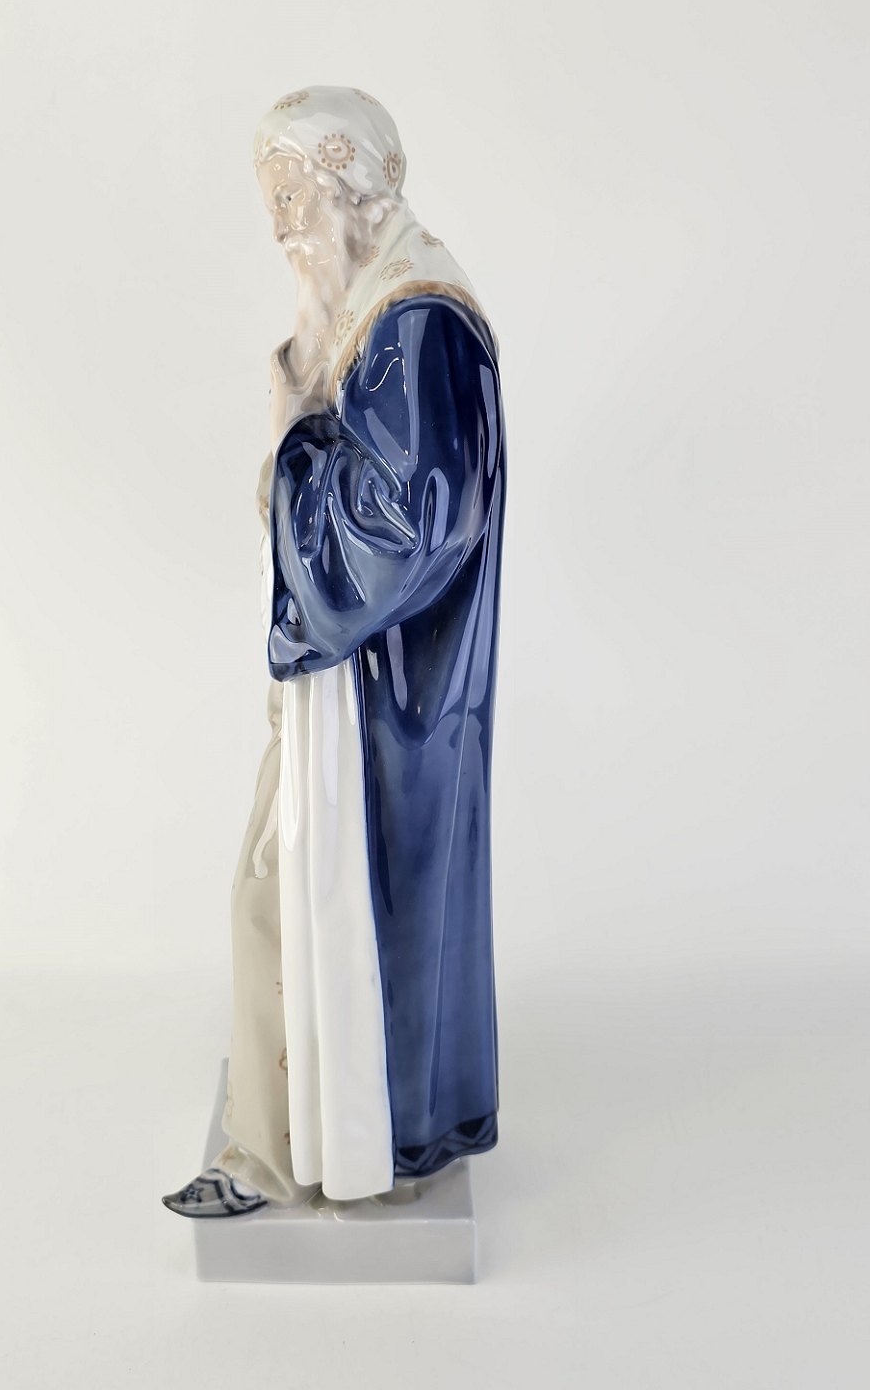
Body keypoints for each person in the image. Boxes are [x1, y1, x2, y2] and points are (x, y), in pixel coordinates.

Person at [163, 86, 507, 1218]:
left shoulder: (415, 324)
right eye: (269, 200)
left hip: (386, 705)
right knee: (294, 900)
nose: (279, 228)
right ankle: (300, 1135)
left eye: (291, 196)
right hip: (359, 690)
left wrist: (294, 437)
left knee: (308, 901)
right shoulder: (374, 314)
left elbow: (414, 528)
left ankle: (318, 1146)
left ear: (356, 188)